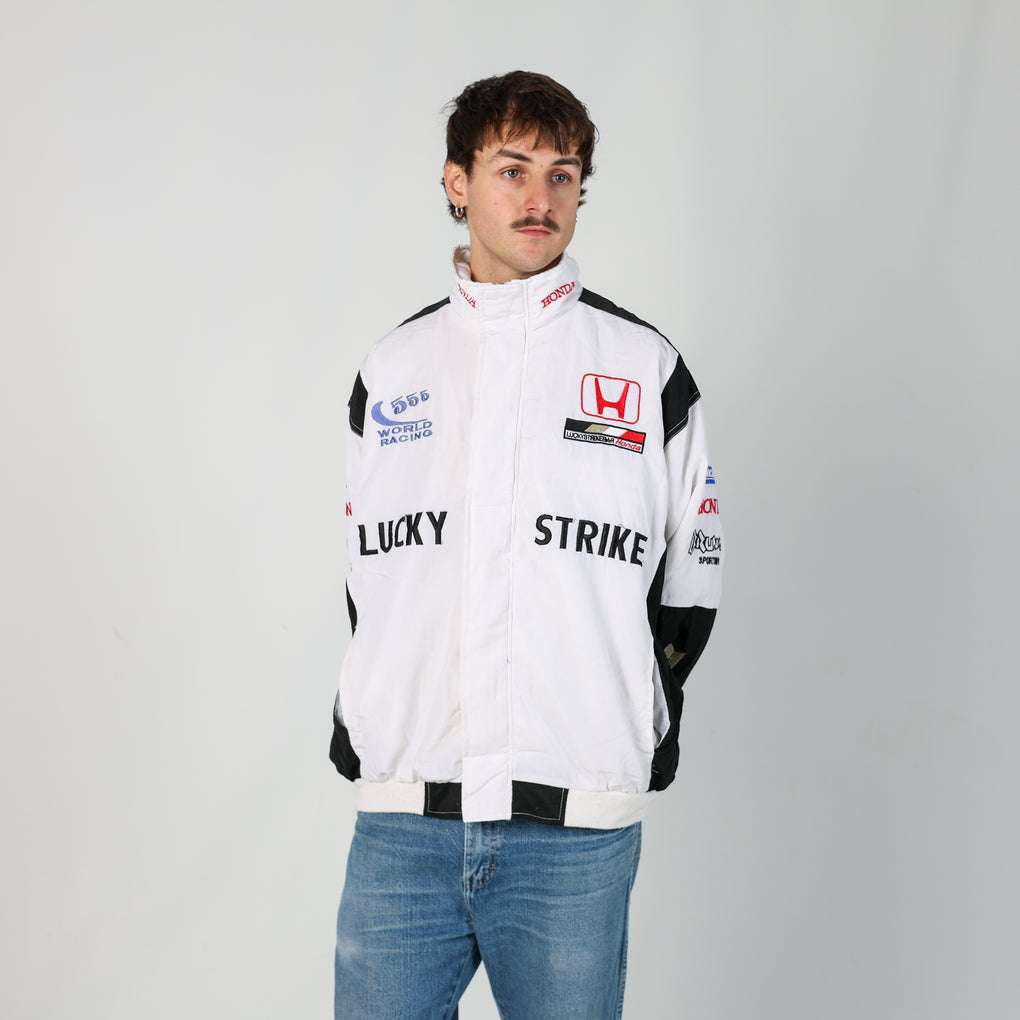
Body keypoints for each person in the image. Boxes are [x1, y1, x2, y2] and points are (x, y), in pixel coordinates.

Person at [330, 70, 723, 1020]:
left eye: (562, 174)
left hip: (573, 831)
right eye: (512, 169)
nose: (540, 197)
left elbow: (692, 584)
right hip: (405, 827)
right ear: (456, 181)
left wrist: (633, 713)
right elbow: (368, 581)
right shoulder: (392, 370)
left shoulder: (645, 369)